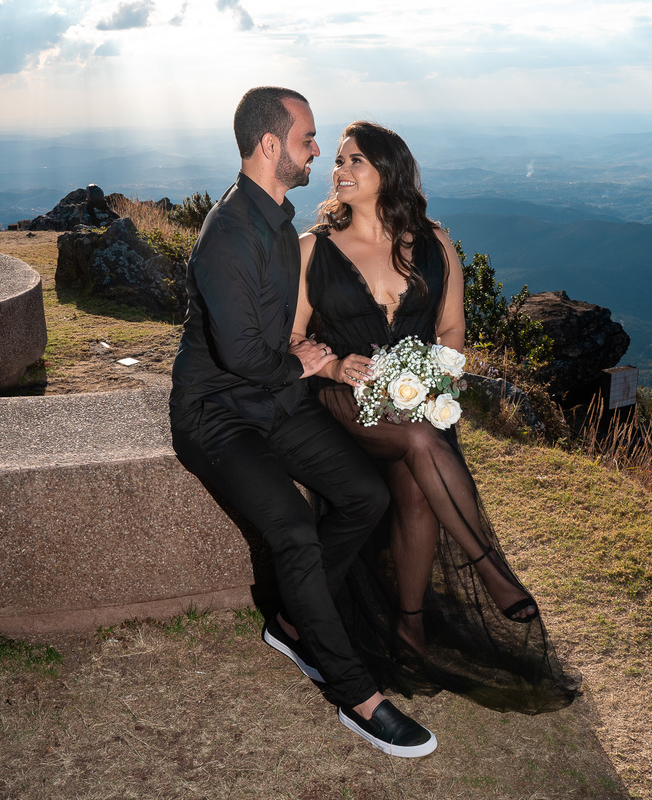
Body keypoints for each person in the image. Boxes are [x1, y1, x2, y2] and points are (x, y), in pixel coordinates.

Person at [169, 89, 437, 757]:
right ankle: (357, 694)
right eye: (308, 138)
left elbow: (282, 339)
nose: (318, 150)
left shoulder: (282, 222)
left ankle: (292, 618)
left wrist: (329, 361)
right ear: (270, 146)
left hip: (273, 401)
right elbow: (242, 354)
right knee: (292, 528)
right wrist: (307, 363)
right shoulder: (226, 235)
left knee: (364, 494)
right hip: (217, 415)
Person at [292, 121, 578, 713]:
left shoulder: (435, 243)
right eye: (338, 161)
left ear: (388, 172)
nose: (339, 170)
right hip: (347, 401)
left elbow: (451, 336)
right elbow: (292, 338)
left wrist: (437, 380)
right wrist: (334, 366)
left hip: (419, 403)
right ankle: (490, 566)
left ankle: (411, 625)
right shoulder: (312, 249)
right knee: (422, 442)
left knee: (418, 481)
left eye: (355, 161)